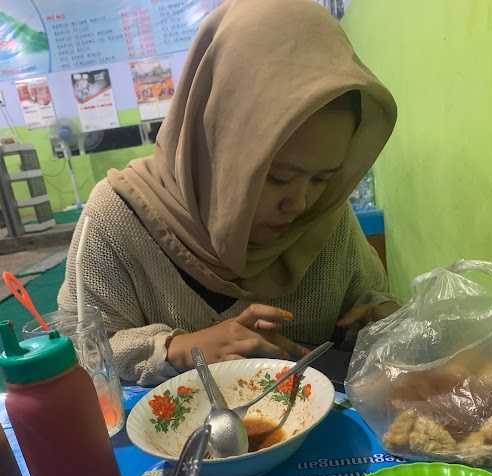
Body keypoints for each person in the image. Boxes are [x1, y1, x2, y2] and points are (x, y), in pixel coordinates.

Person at [59, 0, 398, 386]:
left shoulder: (324, 216)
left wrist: (380, 319)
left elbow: (367, 298)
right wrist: (178, 348)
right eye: (277, 177)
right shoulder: (116, 219)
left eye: (322, 178)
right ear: (214, 143)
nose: (300, 203)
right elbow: (80, 348)